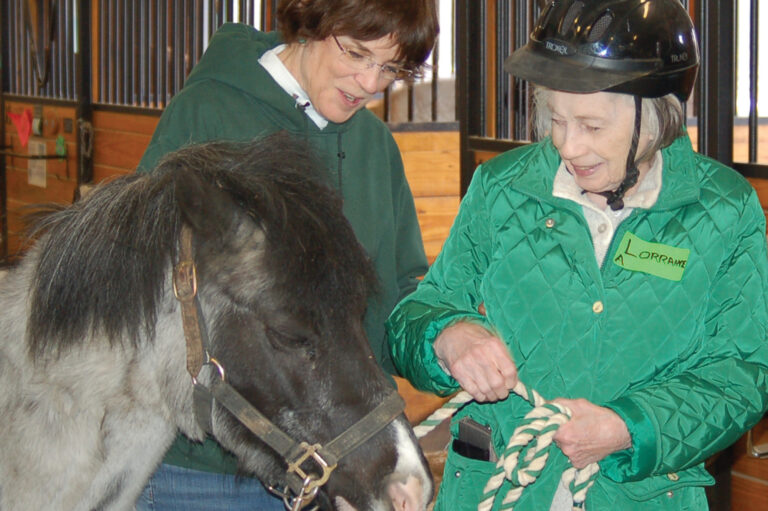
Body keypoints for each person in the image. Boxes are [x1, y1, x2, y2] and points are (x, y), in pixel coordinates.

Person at [387, 0, 768, 510]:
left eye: (591, 126)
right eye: (555, 119)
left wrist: (628, 428)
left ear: (657, 117)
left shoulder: (724, 209)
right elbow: (415, 314)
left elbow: (741, 376)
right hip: (498, 487)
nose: (566, 146)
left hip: (645, 496)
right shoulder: (503, 187)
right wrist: (448, 335)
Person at [135, 1, 437, 509]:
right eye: (358, 54)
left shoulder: (374, 146)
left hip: (336, 461)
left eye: (391, 68)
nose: (370, 83)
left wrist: (445, 340)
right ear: (309, 24)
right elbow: (143, 283)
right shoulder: (208, 111)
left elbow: (401, 290)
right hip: (207, 473)